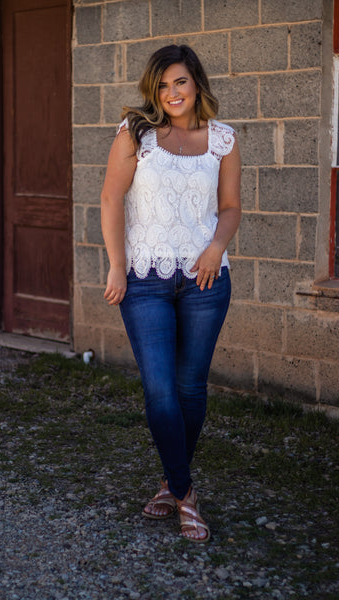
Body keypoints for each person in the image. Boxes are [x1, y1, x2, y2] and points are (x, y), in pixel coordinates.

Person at [101, 44, 241, 542]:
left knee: (189, 391)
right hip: (144, 277)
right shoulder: (136, 134)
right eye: (162, 85)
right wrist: (118, 266)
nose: (172, 93)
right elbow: (111, 197)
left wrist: (215, 248)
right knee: (160, 392)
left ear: (196, 82)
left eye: (179, 81)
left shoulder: (222, 139)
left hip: (206, 279)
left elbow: (229, 208)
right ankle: (186, 495)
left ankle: (168, 482)